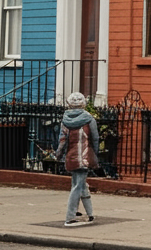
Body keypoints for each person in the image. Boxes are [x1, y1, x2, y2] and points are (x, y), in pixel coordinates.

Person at [54, 92, 99, 227]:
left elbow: (62, 140)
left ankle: (90, 214)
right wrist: (95, 154)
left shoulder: (65, 120)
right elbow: (95, 138)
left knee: (81, 184)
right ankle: (70, 217)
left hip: (71, 157)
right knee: (78, 187)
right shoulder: (89, 119)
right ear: (83, 104)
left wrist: (58, 154)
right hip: (84, 156)